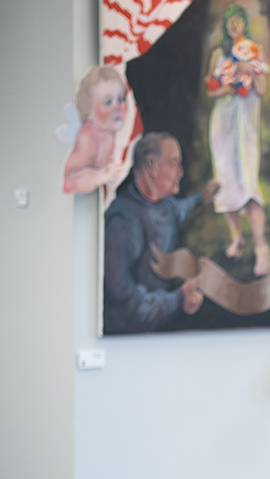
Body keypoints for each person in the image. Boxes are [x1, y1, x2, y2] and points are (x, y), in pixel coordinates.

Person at [103, 132, 219, 335]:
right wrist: (178, 299)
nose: (180, 173)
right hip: (131, 340)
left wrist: (202, 198)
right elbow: (123, 299)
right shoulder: (122, 221)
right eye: (174, 164)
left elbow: (183, 207)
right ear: (151, 165)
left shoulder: (167, 207)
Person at [206, 2, 270, 277]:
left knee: (247, 182)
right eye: (230, 21)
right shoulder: (218, 54)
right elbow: (211, 90)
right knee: (226, 180)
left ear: (245, 23)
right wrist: (228, 87)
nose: (234, 25)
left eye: (238, 20)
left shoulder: (255, 51)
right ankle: (237, 237)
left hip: (245, 125)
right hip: (222, 122)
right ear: (226, 25)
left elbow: (262, 89)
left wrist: (250, 70)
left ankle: (261, 246)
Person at [62, 66, 127, 194]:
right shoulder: (88, 136)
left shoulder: (109, 133)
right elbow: (71, 181)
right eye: (108, 102)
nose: (117, 107)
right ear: (88, 111)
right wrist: (101, 175)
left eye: (121, 99)